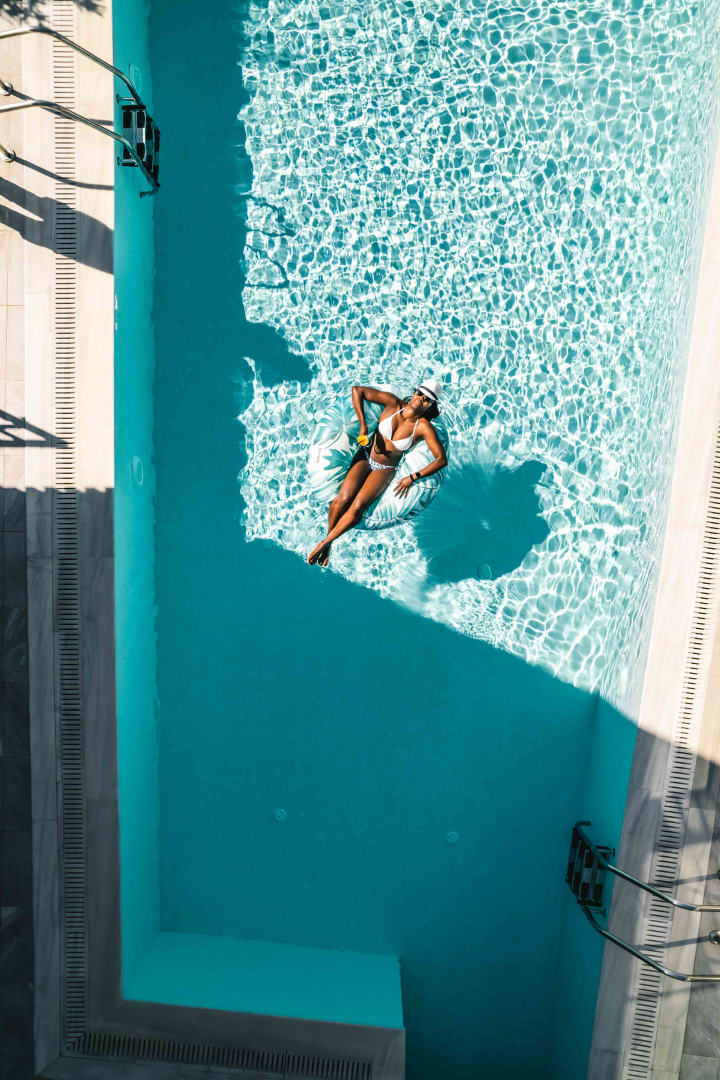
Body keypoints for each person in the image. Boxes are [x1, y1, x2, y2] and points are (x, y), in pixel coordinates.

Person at [307, 378, 448, 567]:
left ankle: (324, 544)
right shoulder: (393, 404)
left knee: (357, 508)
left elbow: (441, 460)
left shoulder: (423, 427)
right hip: (366, 456)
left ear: (431, 405)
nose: (420, 399)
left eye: (427, 400)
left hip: (385, 469)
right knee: (341, 501)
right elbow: (357, 390)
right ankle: (328, 544)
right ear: (415, 392)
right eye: (420, 394)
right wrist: (363, 425)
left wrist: (412, 477)